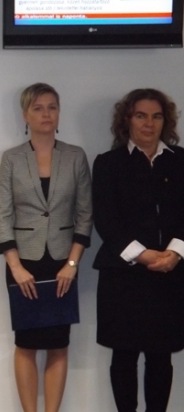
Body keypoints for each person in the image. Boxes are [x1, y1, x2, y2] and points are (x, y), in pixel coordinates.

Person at [0, 83, 92, 412]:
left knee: (58, 344)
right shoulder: (11, 158)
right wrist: (15, 267)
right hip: (24, 264)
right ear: (25, 115)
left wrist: (72, 265)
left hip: (64, 264)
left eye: (52, 107)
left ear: (59, 113)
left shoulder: (76, 156)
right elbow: (2, 214)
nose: (46, 114)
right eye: (38, 108)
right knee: (26, 343)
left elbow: (85, 214)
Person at [93, 88, 184, 412]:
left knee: (161, 356)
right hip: (124, 275)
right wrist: (142, 255)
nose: (149, 123)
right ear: (127, 120)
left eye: (156, 116)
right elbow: (106, 219)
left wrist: (175, 253)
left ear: (165, 121)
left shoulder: (180, 160)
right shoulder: (108, 164)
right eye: (141, 116)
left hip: (171, 273)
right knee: (124, 355)